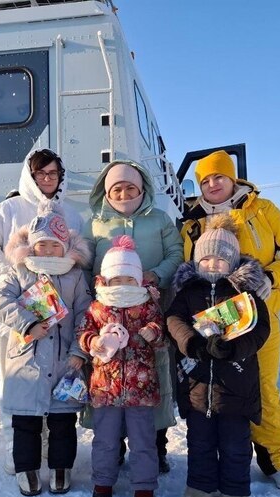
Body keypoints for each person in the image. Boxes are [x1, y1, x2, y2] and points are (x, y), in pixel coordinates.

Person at [179, 150, 280, 489]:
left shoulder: (261, 210)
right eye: (205, 180)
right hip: (212, 320)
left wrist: (271, 276)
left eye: (218, 176)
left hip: (259, 315)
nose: (212, 184)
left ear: (232, 178)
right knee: (215, 391)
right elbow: (186, 270)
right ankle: (220, 458)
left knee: (262, 386)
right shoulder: (192, 224)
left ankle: (273, 456)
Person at [0, 148, 83, 475]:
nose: (47, 179)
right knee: (16, 385)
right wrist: (9, 271)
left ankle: (46, 447)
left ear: (61, 177)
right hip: (15, 317)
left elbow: (76, 255)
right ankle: (14, 449)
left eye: (53, 174)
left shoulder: (70, 214)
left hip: (57, 322)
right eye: (41, 174)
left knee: (53, 387)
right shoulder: (9, 208)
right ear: (30, 176)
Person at [81, 160, 183, 472]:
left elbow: (176, 254)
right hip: (107, 313)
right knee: (111, 376)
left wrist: (156, 275)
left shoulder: (160, 218)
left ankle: (155, 447)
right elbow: (86, 264)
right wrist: (92, 300)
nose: (124, 193)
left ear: (141, 189)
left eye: (130, 187)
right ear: (106, 192)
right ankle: (115, 448)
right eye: (117, 188)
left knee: (153, 377)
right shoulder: (96, 223)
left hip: (149, 308)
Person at [167, 215, 271, 497]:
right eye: (207, 257)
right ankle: (199, 488)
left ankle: (236, 492)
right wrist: (193, 344)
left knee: (236, 445)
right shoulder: (187, 294)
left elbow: (260, 329)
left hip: (236, 387)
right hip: (198, 386)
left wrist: (232, 349)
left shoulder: (245, 295)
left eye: (221, 259)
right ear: (198, 260)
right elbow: (174, 321)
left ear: (234, 262)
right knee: (199, 442)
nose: (213, 264)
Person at [0, 204, 92, 496]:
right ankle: (27, 468)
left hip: (64, 362)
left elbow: (86, 315)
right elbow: (0, 302)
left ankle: (62, 467)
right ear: (32, 247)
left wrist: (79, 352)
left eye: (54, 245)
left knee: (63, 421)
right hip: (26, 363)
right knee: (25, 421)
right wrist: (27, 323)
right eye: (41, 244)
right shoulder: (19, 272)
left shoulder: (74, 277)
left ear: (64, 248)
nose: (47, 250)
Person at [76, 235, 166, 497]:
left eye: (129, 279)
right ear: (106, 280)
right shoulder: (98, 306)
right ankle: (103, 482)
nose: (123, 285)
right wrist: (92, 342)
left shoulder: (147, 305)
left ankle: (144, 488)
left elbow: (162, 333)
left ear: (138, 280)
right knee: (105, 440)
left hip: (141, 388)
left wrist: (154, 333)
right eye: (117, 279)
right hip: (106, 388)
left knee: (143, 441)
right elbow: (83, 332)